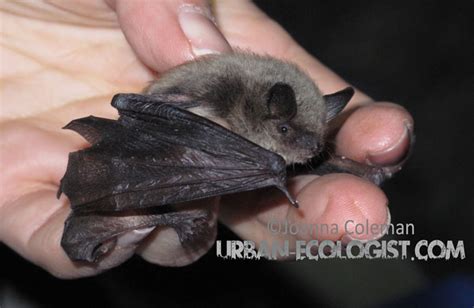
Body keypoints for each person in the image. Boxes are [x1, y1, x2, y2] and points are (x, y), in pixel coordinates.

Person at [0, 0, 414, 278]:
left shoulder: (277, 127)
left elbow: (292, 142)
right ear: (265, 115)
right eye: (288, 132)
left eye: (314, 136)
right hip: (173, 123)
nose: (306, 148)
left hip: (209, 143)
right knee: (266, 169)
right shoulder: (219, 103)